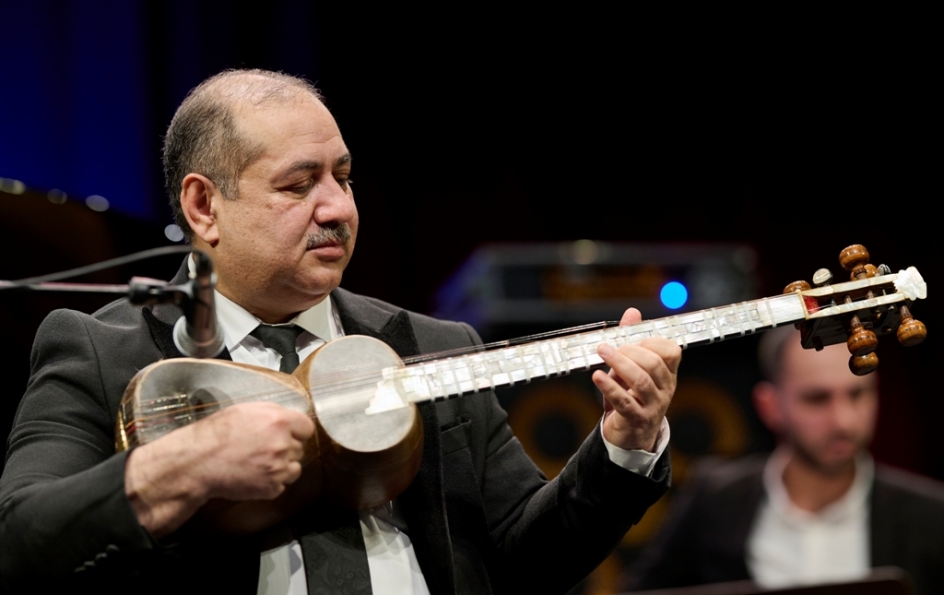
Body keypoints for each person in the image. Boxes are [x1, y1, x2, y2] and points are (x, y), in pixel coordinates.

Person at [0, 69, 680, 595]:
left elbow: (527, 562)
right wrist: (179, 467)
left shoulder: (430, 345)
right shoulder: (99, 350)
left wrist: (624, 444)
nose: (338, 208)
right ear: (204, 206)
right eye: (298, 186)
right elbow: (21, 541)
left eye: (343, 178)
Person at [626, 325, 944, 595]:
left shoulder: (930, 515)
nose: (844, 421)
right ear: (770, 406)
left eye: (857, 394)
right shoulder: (715, 500)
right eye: (817, 398)